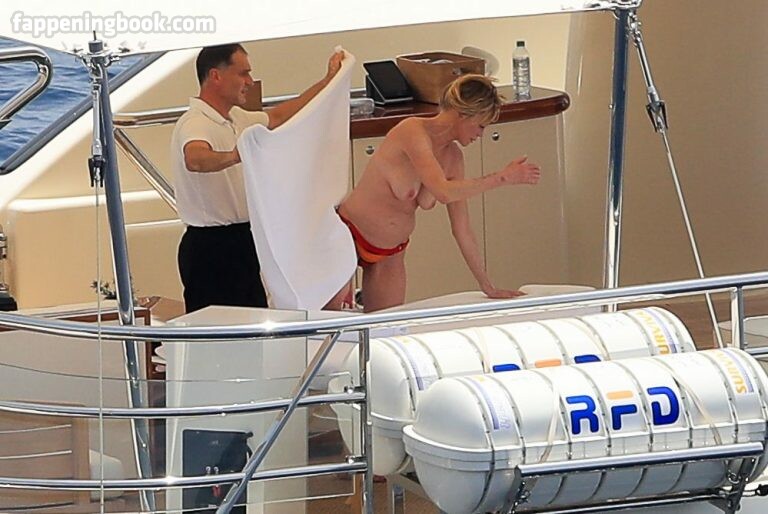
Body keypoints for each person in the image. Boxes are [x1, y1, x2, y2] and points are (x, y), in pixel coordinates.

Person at [335, 74, 541, 312]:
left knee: (384, 327)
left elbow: (462, 229)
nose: (480, 134)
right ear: (464, 114)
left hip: (390, 253)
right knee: (328, 325)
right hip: (348, 237)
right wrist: (502, 178)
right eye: (481, 125)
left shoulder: (453, 158)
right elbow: (442, 191)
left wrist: (488, 287)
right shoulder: (412, 131)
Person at [171, 43, 343, 313]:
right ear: (216, 76)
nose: (250, 82)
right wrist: (234, 156)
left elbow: (280, 115)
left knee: (254, 322)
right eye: (243, 73)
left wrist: (328, 81)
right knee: (218, 328)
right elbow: (195, 158)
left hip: (242, 241)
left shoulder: (237, 118)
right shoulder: (195, 122)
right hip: (211, 248)